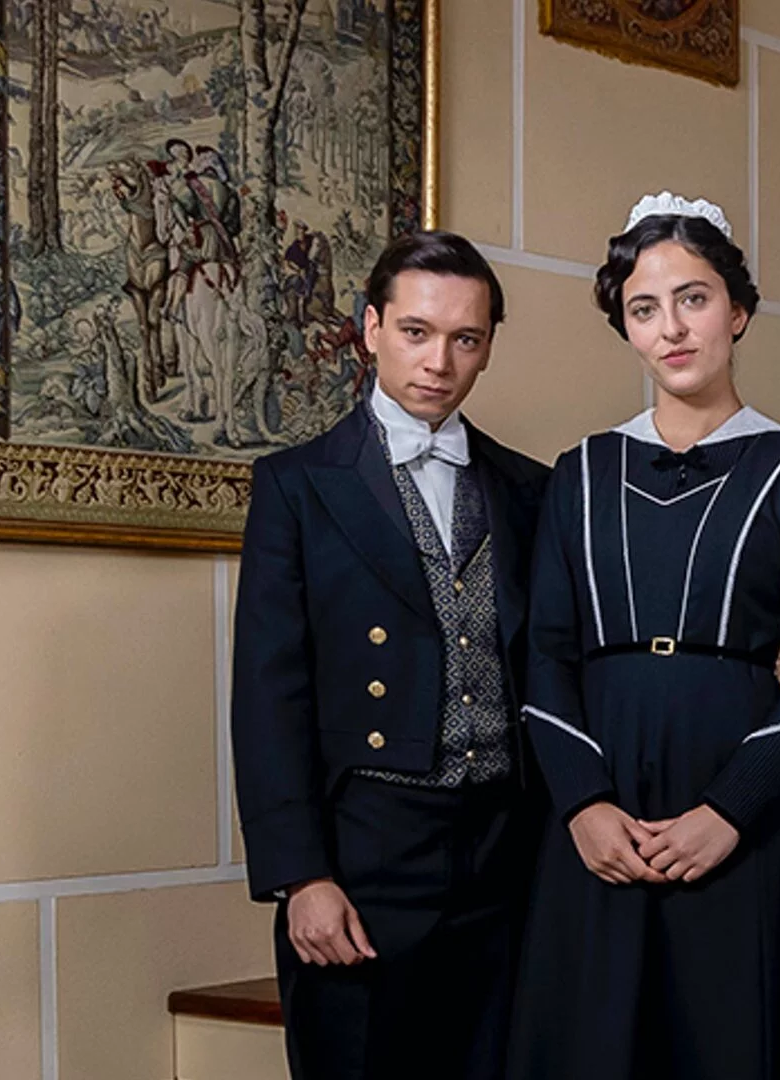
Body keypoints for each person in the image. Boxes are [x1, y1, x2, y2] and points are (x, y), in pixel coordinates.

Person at [508, 192, 780, 1079]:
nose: (671, 327)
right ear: (625, 328)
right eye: (644, 308)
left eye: (693, 299)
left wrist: (729, 811)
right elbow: (544, 652)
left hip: (744, 810)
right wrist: (583, 806)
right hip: (601, 811)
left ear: (736, 311)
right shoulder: (582, 471)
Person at [231, 230, 550, 1080]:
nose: (439, 361)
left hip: (504, 854)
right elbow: (268, 695)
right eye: (416, 331)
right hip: (364, 852)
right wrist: (300, 876)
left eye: (465, 338)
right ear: (371, 328)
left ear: (487, 346)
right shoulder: (297, 485)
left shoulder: (529, 488)